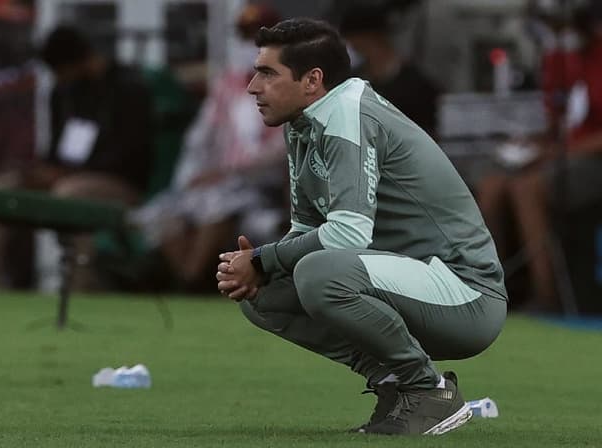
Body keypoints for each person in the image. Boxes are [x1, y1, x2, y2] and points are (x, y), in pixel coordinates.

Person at [216, 18, 507, 436]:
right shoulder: (305, 121)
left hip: (467, 295)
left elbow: (348, 236)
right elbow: (307, 229)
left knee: (316, 273)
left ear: (313, 80)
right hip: (408, 284)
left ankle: (428, 391)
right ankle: (394, 383)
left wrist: (264, 257)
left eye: (267, 73)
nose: (252, 86)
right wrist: (257, 266)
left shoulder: (346, 113)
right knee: (263, 293)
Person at [0, 25, 154, 290]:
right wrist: (37, 170)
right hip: (63, 177)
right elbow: (58, 149)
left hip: (115, 183)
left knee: (72, 194)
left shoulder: (129, 89)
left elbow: (131, 156)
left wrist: (67, 174)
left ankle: (79, 288)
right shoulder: (64, 93)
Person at [129, 3, 286, 290]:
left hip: (258, 186)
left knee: (217, 203)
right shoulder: (226, 85)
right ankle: (189, 279)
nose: (249, 45)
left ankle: (191, 282)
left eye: (258, 39)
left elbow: (281, 150)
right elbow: (199, 141)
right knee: (160, 214)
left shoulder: (287, 86)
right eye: (245, 37)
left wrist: (229, 174)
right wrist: (190, 178)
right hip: (215, 183)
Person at [477, 0, 602, 312]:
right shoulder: (562, 59)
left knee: (527, 188)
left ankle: (545, 294)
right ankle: (492, 289)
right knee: (491, 185)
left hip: (592, 158)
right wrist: (534, 145)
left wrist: (557, 151)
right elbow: (562, 122)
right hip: (565, 152)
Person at [339, 5, 440, 136]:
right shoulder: (352, 84)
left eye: (356, 44)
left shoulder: (419, 88)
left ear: (373, 40)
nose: (353, 50)